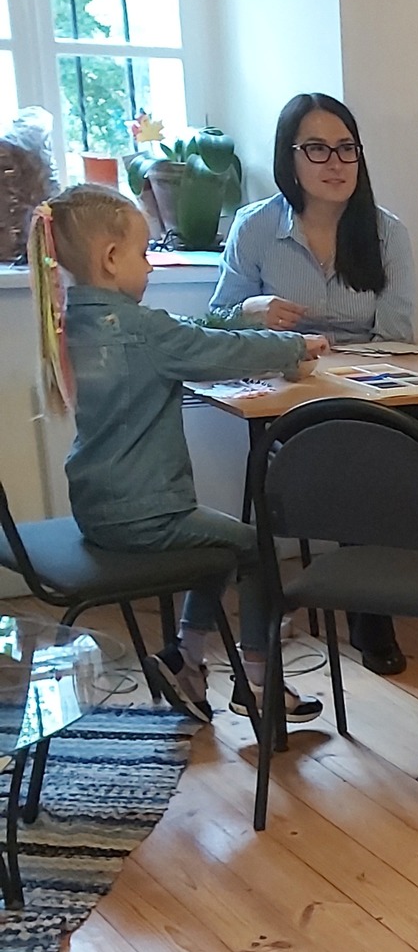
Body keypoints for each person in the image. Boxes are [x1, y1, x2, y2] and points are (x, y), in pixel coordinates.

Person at [28, 185, 328, 726]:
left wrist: (244, 317)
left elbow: (188, 334)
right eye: (143, 254)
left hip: (98, 508)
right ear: (111, 258)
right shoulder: (141, 331)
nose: (149, 266)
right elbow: (213, 352)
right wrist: (293, 347)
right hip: (146, 514)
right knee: (255, 545)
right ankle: (258, 680)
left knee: (218, 542)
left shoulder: (75, 321)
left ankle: (186, 660)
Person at [210, 92, 416, 675]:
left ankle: (395, 597)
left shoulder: (387, 233)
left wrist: (345, 370)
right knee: (355, 450)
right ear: (289, 157)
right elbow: (213, 322)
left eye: (347, 148)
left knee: (391, 437)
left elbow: (398, 336)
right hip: (287, 392)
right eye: (317, 149)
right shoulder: (255, 227)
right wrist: (252, 310)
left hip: (367, 390)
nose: (336, 163)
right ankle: (368, 610)